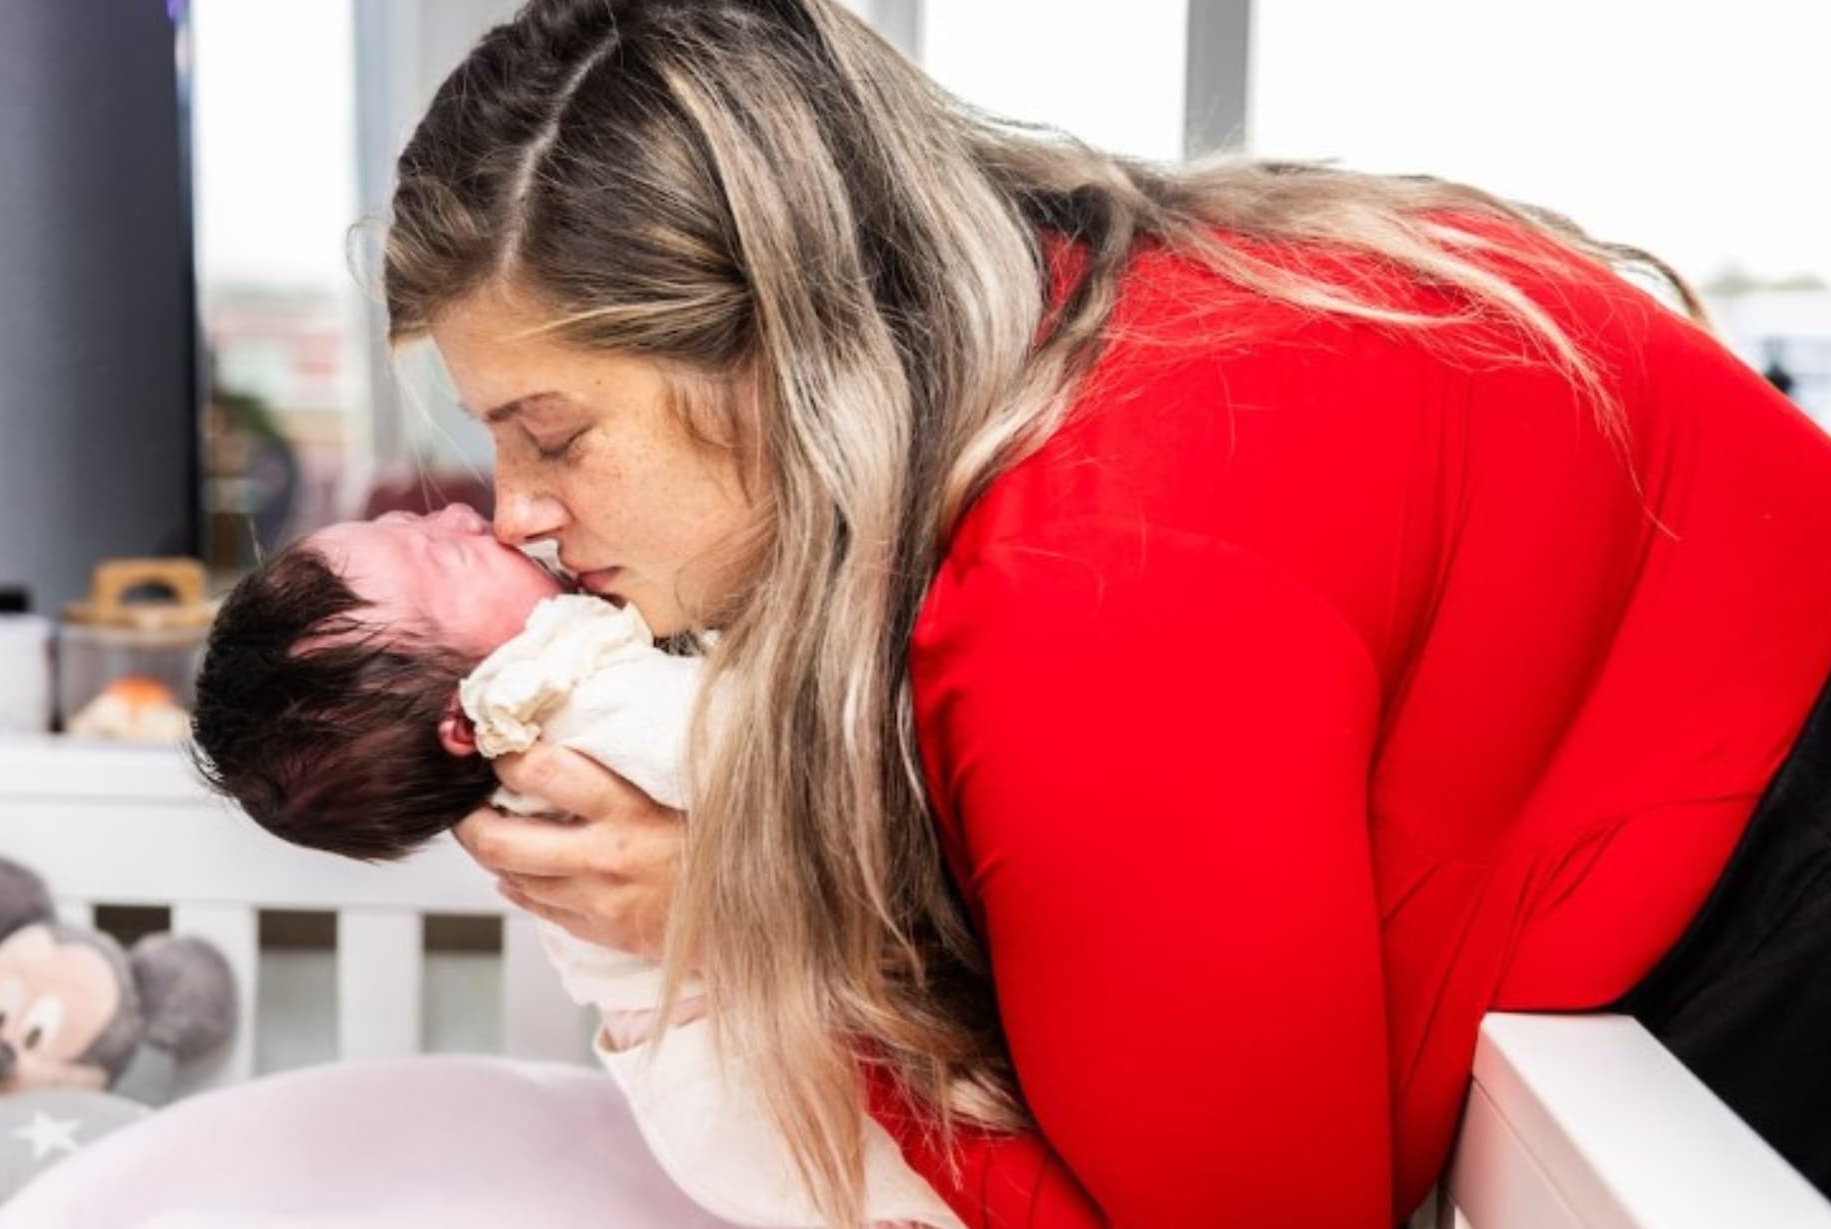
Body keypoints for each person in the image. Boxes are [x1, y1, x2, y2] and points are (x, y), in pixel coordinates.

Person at [381, 2, 1831, 1225]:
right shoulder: (1135, 318)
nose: (514, 514)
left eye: (555, 436)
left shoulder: (1089, 588)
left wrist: (759, 949)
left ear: (788, 343)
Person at [190, 504, 962, 1228]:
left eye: (420, 519)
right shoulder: (565, 698)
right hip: (740, 1080)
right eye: (447, 555)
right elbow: (768, 752)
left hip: (726, 1073)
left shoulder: (530, 717)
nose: (465, 516)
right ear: (464, 716)